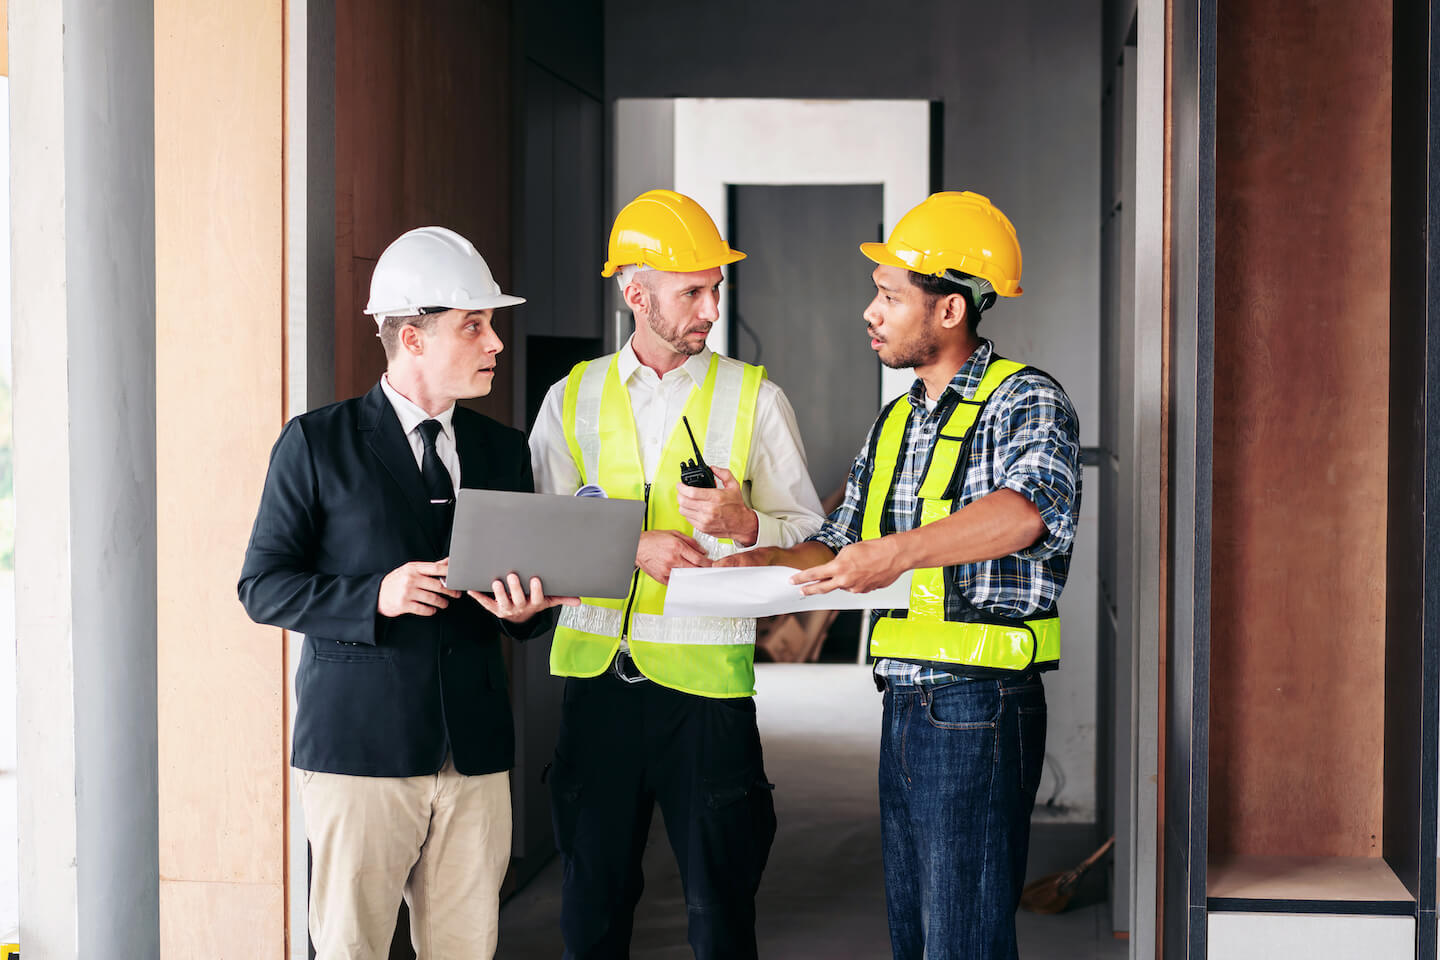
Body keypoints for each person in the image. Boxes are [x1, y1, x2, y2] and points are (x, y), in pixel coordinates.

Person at [719, 191, 1082, 960]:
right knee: (917, 939)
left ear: (949, 310)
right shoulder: (897, 419)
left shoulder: (1028, 400)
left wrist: (899, 551)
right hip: (906, 706)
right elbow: (841, 543)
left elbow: (1027, 513)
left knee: (963, 942)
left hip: (980, 707)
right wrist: (752, 546)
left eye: (888, 296)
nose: (869, 312)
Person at [238, 226, 573, 959]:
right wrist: (376, 595)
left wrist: (524, 615)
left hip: (475, 756)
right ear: (413, 337)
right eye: (475, 326)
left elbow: (521, 604)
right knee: (351, 948)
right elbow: (263, 587)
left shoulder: (501, 449)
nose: (495, 344)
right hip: (361, 754)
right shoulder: (315, 443)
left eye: (491, 326)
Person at [528, 189, 825, 959]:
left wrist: (747, 523)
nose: (711, 308)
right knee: (591, 910)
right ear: (637, 295)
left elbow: (808, 535)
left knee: (720, 911)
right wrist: (631, 545)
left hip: (707, 696)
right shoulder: (572, 398)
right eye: (692, 290)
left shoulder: (756, 398)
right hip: (597, 688)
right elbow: (539, 531)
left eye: (715, 289)